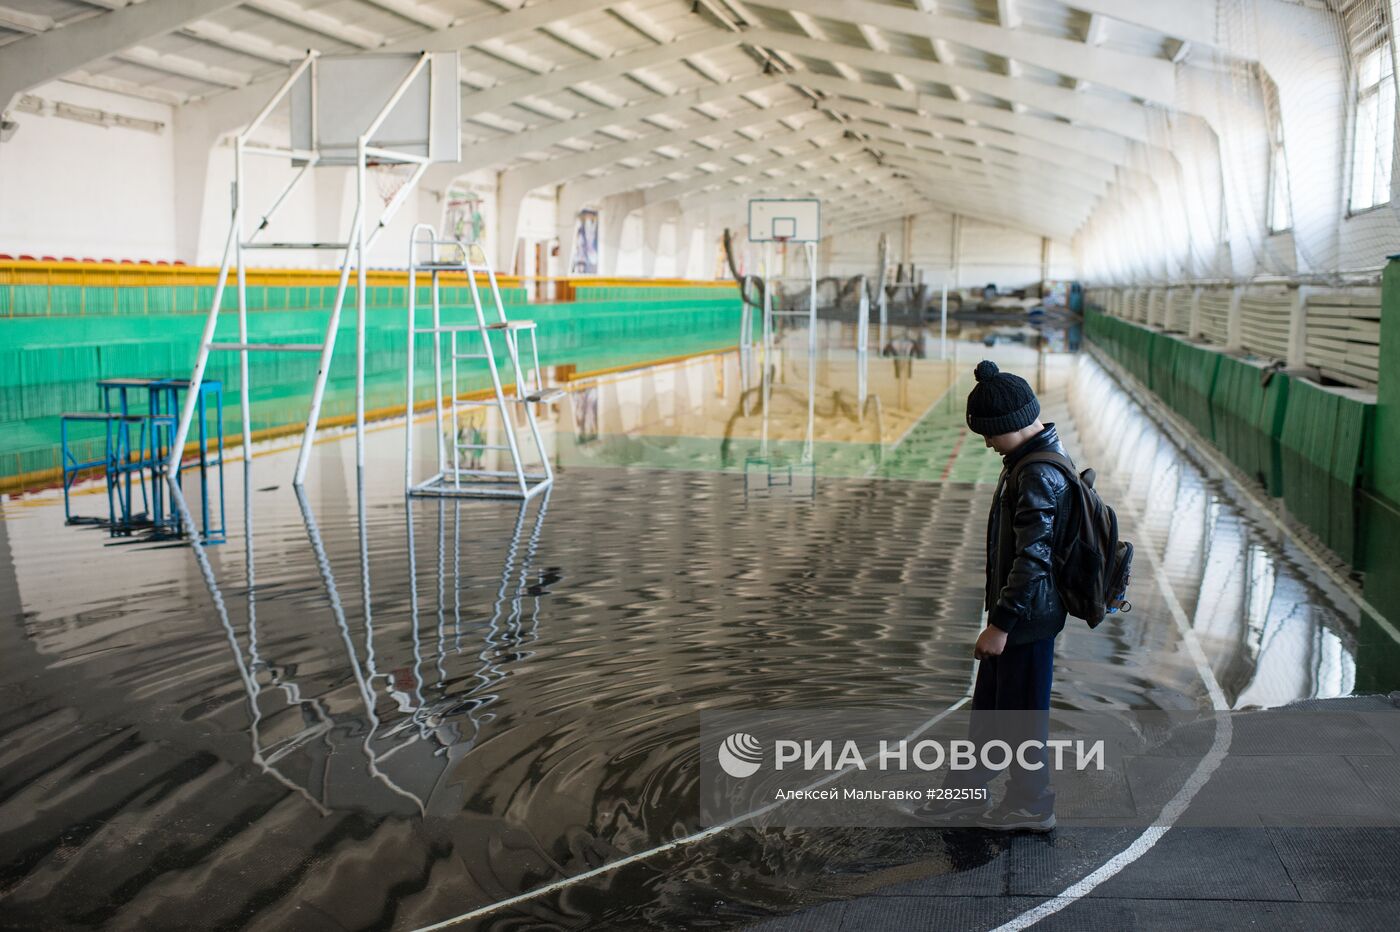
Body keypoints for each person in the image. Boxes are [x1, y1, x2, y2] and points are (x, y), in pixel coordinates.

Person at [920, 359, 1071, 832]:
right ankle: (965, 791)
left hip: (1026, 622)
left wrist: (1001, 625)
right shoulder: (1028, 461)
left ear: (1008, 424)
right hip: (1018, 618)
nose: (986, 443)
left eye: (988, 434)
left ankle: (1031, 804)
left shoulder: (1036, 475)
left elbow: (1034, 560)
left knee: (1022, 721)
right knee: (990, 712)